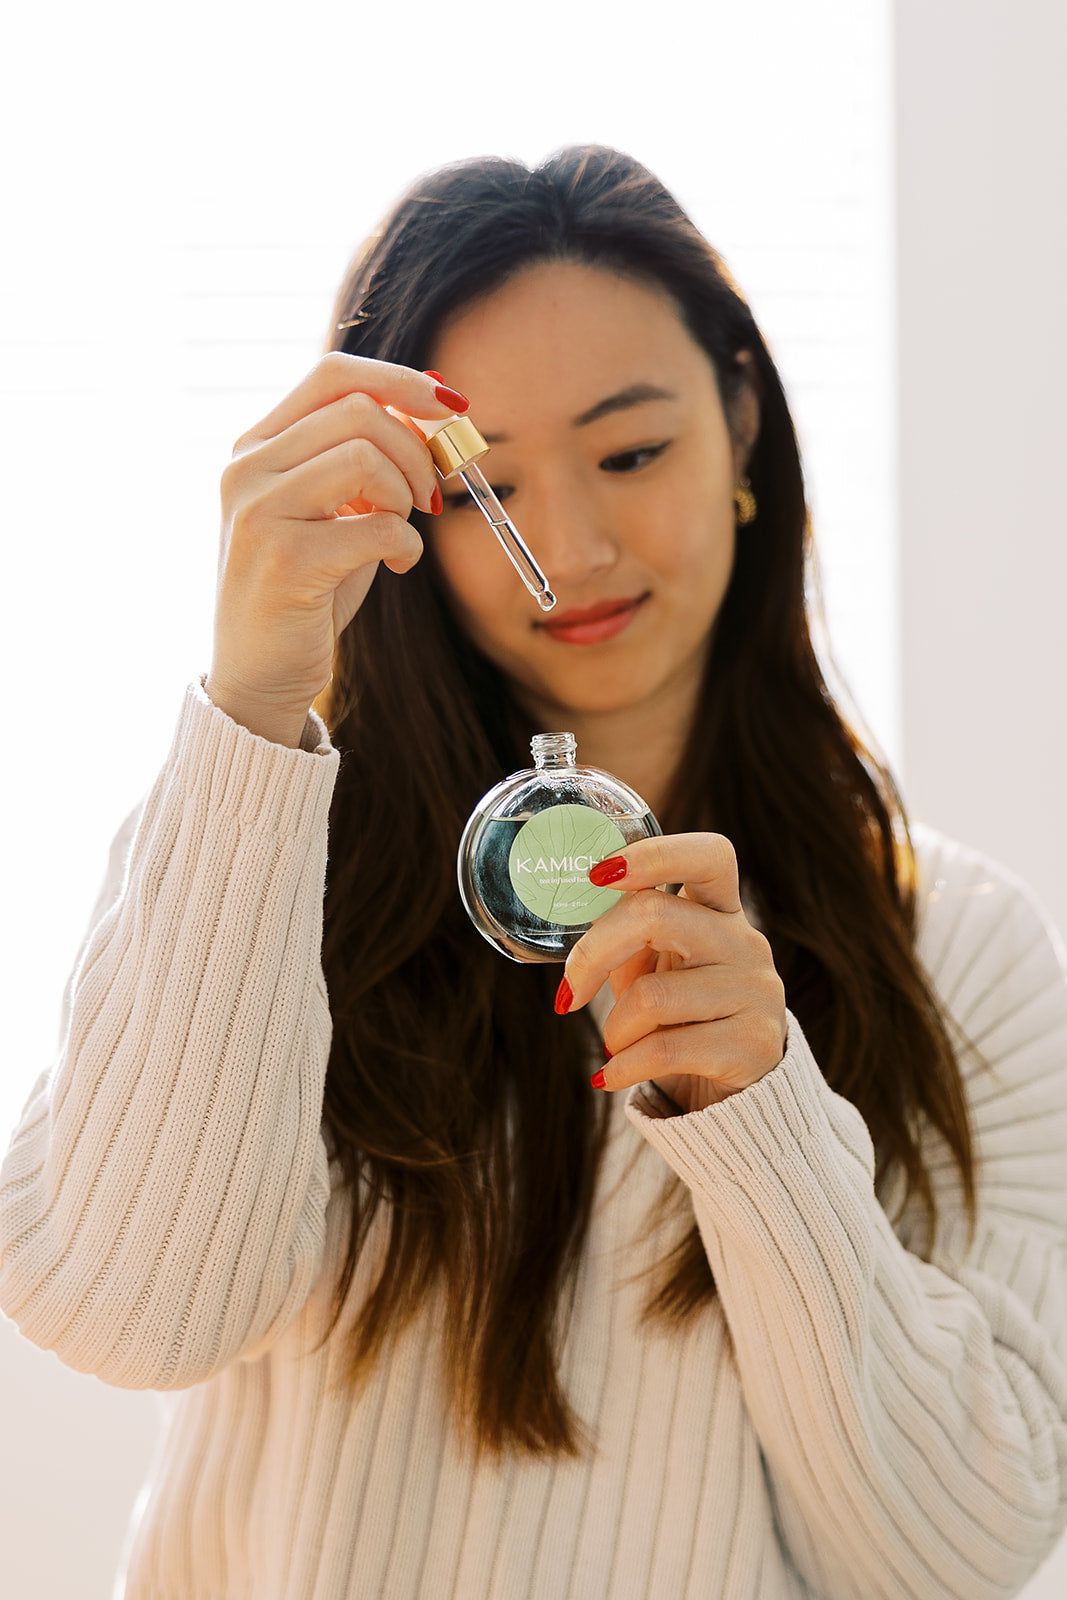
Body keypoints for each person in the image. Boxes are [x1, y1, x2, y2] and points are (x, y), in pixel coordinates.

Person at [1, 145, 1065, 1600]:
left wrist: (762, 1127)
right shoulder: (266, 868)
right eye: (486, 486)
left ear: (742, 421)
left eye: (633, 453)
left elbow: (959, 1552)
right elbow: (130, 1314)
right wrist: (250, 710)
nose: (566, 550)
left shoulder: (957, 946)